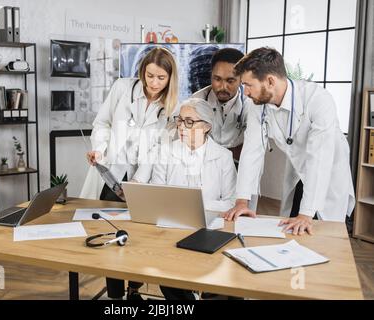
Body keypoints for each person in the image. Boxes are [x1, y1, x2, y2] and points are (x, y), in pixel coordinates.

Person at [222, 47, 355, 236]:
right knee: (291, 228)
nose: (245, 93)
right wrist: (242, 201)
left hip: (328, 171)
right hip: (297, 169)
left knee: (323, 232)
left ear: (270, 81)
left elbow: (319, 158)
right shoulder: (258, 105)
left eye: (248, 85)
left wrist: (306, 213)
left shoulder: (318, 100)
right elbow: (252, 151)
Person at [80, 46, 179, 300]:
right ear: (141, 72)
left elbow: (159, 148)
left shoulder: (172, 106)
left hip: (139, 178)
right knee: (108, 232)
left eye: (161, 78)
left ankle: (134, 289)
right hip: (110, 171)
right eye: (149, 76)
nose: (154, 83)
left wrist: (137, 182)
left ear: (170, 78)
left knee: (137, 236)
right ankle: (115, 296)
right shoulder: (122, 88)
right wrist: (99, 151)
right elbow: (102, 123)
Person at [133, 98, 237, 299]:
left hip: (211, 228)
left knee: (219, 280)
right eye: (179, 120)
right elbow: (158, 194)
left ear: (206, 126)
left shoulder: (223, 156)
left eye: (189, 121)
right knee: (171, 278)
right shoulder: (166, 151)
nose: (181, 126)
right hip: (174, 228)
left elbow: (231, 202)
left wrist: (197, 206)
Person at [192, 48, 253, 161]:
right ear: (211, 76)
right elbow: (191, 144)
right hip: (203, 163)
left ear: (241, 79)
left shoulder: (250, 102)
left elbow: (253, 146)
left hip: (239, 164)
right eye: (217, 79)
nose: (222, 87)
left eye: (230, 81)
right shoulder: (197, 100)